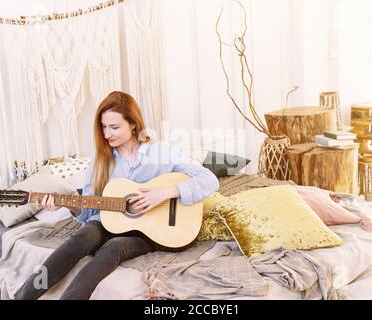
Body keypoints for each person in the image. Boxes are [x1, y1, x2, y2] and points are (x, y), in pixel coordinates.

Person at [14, 91, 219, 300]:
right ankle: (22, 297)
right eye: (103, 127)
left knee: (113, 247)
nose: (107, 134)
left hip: (148, 232)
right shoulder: (100, 159)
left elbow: (209, 180)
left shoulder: (161, 152)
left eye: (114, 127)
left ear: (132, 124)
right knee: (81, 237)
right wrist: (68, 205)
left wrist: (166, 193)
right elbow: (88, 210)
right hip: (105, 220)